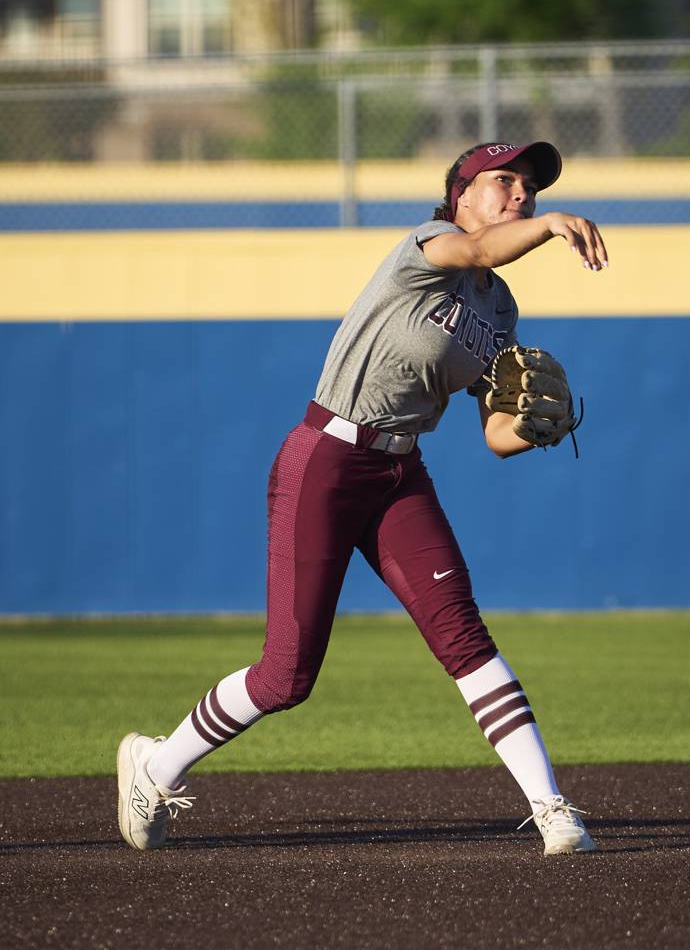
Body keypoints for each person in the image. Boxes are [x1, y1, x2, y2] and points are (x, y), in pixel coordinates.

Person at [117, 140, 609, 857]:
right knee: (286, 675)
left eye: (530, 187)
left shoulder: (499, 310)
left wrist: (537, 427)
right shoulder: (428, 244)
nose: (521, 194)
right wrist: (552, 223)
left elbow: (495, 433)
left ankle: (551, 808)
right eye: (504, 181)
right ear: (461, 194)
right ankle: (152, 767)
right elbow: (479, 252)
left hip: (399, 474)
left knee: (465, 637)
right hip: (325, 458)